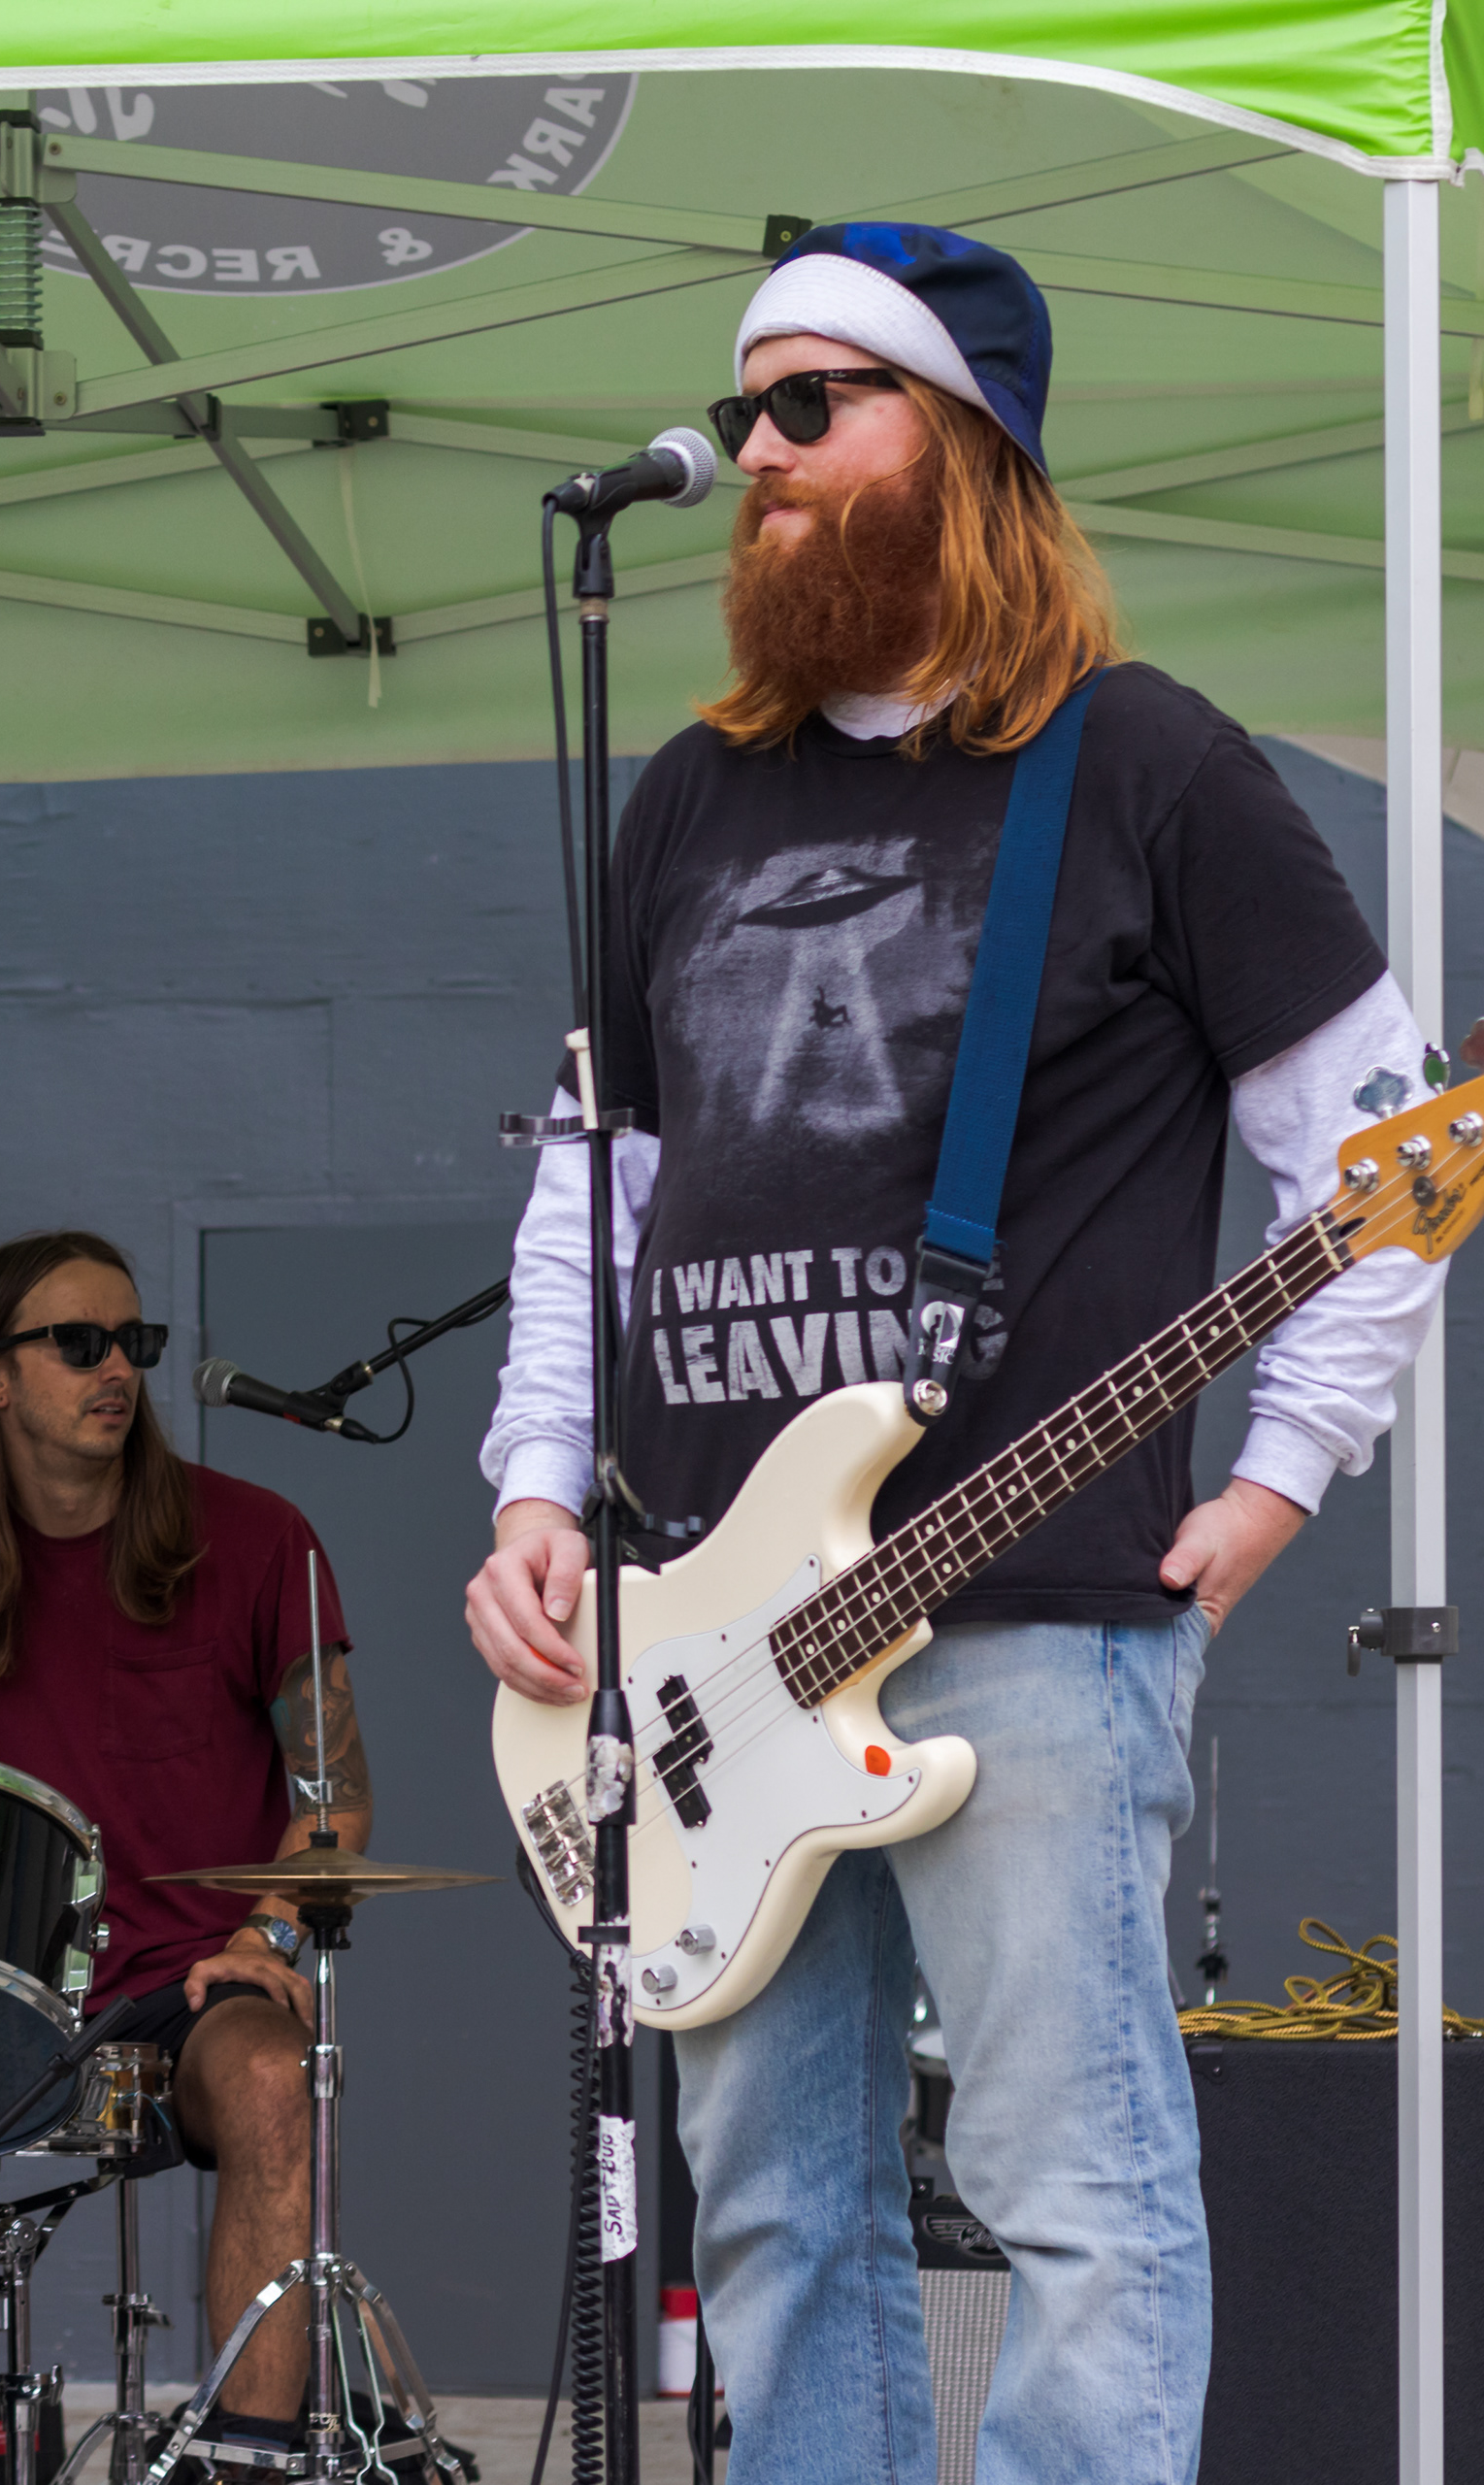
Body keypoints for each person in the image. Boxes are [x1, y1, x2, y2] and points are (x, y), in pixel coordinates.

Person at [465, 226, 1444, 2485]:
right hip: (718, 1620)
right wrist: (534, 1486)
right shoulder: (691, 793)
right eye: (745, 416)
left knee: (1074, 2194)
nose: (760, 460)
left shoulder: (1148, 768)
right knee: (782, 2216)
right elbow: (586, 1188)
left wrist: (1284, 1469)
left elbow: (1380, 1154)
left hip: (1031, 1617)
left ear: (966, 446)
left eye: (817, 407)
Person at [0, 1229, 362, 2457]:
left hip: (187, 1982)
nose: (117, 1368)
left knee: (283, 2080)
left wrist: (265, 1932)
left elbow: (334, 1800)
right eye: (80, 1344)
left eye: (135, 1341)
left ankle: (248, 2464)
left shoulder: (259, 1535)